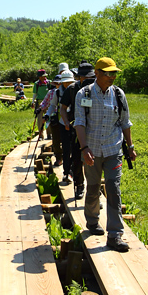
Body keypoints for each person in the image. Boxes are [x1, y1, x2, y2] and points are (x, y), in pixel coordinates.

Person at [74, 57, 137, 253]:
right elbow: (80, 122)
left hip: (113, 149)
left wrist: (130, 146)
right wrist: (84, 149)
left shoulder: (118, 94)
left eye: (114, 73)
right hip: (91, 149)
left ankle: (115, 234)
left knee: (113, 188)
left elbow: (125, 122)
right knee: (93, 188)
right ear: (98, 73)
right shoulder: (83, 93)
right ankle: (92, 221)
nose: (112, 77)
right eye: (108, 73)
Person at [66, 63, 96, 198]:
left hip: (94, 130)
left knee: (95, 163)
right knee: (77, 159)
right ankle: (79, 185)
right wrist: (67, 122)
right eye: (85, 77)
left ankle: (94, 191)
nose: (88, 79)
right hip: (77, 129)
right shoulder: (72, 89)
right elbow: (62, 107)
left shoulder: (97, 89)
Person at [52, 70, 77, 182]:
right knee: (66, 149)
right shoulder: (57, 92)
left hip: (77, 124)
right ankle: (67, 172)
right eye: (65, 82)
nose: (67, 84)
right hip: (63, 124)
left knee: (75, 149)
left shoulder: (78, 91)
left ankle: (74, 171)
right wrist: (47, 115)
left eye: (69, 82)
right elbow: (53, 106)